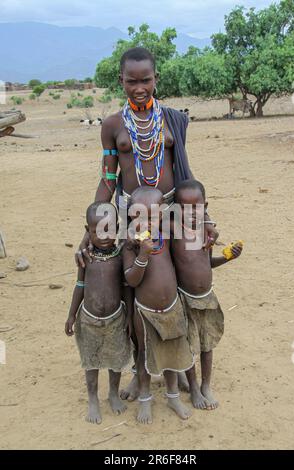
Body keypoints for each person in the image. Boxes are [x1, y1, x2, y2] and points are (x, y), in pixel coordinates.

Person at [75, 46, 218, 400]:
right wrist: (89, 230)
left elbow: (185, 174)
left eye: (147, 80)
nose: (140, 87)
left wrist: (204, 218)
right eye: (131, 81)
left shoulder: (171, 119)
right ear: (120, 80)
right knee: (134, 292)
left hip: (171, 214)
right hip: (130, 216)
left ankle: (179, 366)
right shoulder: (112, 125)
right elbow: (109, 179)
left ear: (156, 78)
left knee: (178, 288)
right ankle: (139, 373)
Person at [123, 187, 194, 424]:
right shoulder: (130, 246)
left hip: (171, 308)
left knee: (171, 355)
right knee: (144, 355)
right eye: (140, 215)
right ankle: (145, 398)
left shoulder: (167, 238)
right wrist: (142, 254)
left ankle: (173, 396)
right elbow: (132, 280)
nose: (147, 221)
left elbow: (184, 259)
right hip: (145, 313)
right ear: (132, 215)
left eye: (153, 215)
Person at [171, 180, 243, 410]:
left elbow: (207, 264)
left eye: (197, 206)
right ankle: (193, 387)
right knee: (189, 346)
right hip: (185, 299)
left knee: (207, 345)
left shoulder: (206, 234)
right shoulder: (175, 235)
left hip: (207, 298)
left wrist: (229, 257)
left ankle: (206, 385)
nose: (192, 212)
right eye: (184, 206)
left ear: (205, 206)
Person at [65, 202, 131, 424]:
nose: (103, 235)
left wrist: (130, 316)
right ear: (88, 230)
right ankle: (93, 399)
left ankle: (113, 393)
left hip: (115, 319)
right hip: (89, 319)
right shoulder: (86, 257)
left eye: (109, 228)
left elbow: (125, 290)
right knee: (91, 361)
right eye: (96, 231)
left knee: (116, 360)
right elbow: (80, 286)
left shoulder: (121, 255)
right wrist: (71, 315)